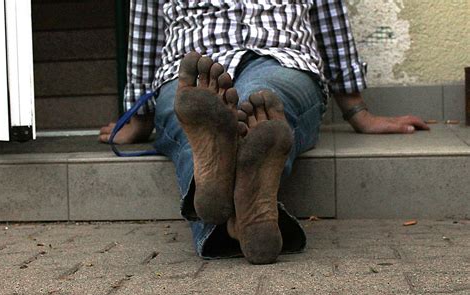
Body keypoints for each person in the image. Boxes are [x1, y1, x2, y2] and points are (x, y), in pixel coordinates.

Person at [99, 0, 429, 264]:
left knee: (259, 104)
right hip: (199, 68)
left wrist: (359, 113)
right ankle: (245, 208)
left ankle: (216, 196)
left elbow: (330, 17)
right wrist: (138, 117)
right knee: (251, 106)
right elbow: (146, 23)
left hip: (273, 61)